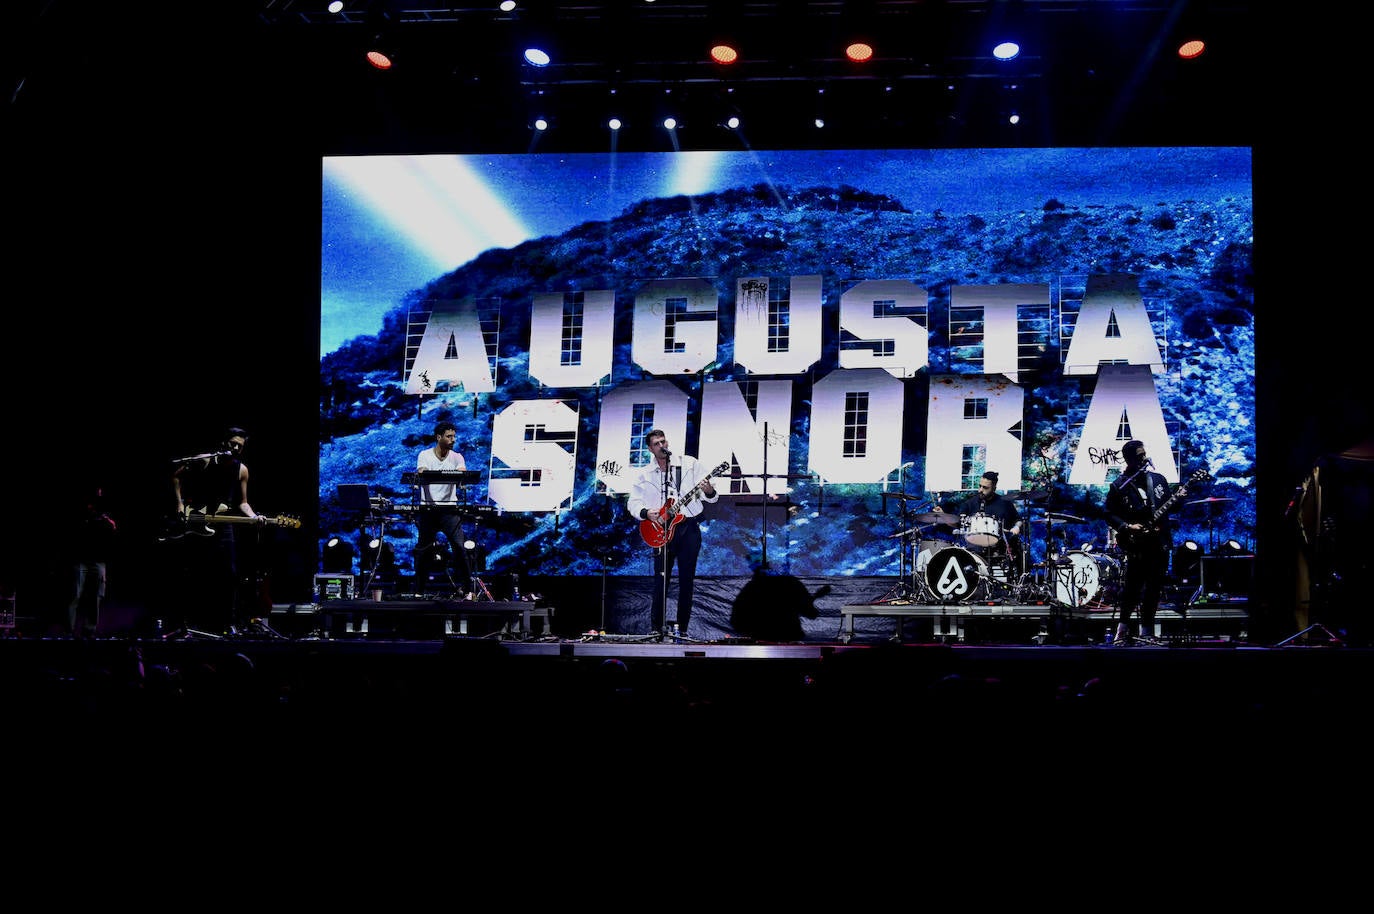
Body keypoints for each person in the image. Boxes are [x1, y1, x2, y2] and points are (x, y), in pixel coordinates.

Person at [626, 429, 720, 640]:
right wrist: (646, 513)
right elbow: (633, 502)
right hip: (660, 529)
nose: (662, 446)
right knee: (661, 579)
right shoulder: (644, 474)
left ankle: (683, 629)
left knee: (687, 580)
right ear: (650, 449)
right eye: (657, 443)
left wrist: (708, 491)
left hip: (688, 528)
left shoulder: (689, 464)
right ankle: (656, 627)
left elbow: (712, 496)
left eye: (663, 441)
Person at [170, 427, 262, 635]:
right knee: (196, 573)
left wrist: (255, 518)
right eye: (233, 444)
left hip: (223, 524)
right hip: (197, 520)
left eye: (240, 445)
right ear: (223, 443)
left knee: (229, 574)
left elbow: (243, 503)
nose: (236, 448)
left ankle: (228, 622)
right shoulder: (204, 460)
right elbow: (176, 477)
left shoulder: (242, 470)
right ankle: (188, 623)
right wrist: (179, 504)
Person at [1103, 440, 1172, 645]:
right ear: (1129, 459)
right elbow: (1108, 513)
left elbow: (1170, 507)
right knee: (1132, 588)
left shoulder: (1158, 480)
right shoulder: (1119, 485)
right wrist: (1126, 526)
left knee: (1154, 587)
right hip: (1136, 543)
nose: (1144, 458)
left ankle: (1147, 631)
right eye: (1139, 456)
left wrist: (1179, 499)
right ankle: (1122, 631)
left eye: (1144, 454)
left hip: (1158, 542)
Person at [413, 420, 472, 593]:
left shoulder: (457, 457)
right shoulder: (424, 454)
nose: (453, 440)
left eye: (454, 436)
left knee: (459, 546)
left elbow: (462, 474)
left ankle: (468, 590)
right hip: (428, 510)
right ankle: (419, 590)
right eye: (448, 436)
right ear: (438, 437)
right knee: (423, 550)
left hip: (449, 510)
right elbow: (422, 473)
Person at [937, 470, 1024, 574]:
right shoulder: (970, 503)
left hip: (999, 547)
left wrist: (1016, 527)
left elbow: (1018, 520)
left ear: (994, 487)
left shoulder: (1005, 503)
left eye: (985, 488)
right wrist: (943, 516)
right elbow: (957, 523)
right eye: (980, 486)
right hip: (974, 547)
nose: (980, 490)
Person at [62, 485, 118, 639]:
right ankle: (68, 630)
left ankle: (89, 630)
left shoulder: (106, 512)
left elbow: (113, 529)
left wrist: (107, 522)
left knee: (96, 596)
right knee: (75, 594)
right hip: (80, 559)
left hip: (99, 560)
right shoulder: (83, 511)